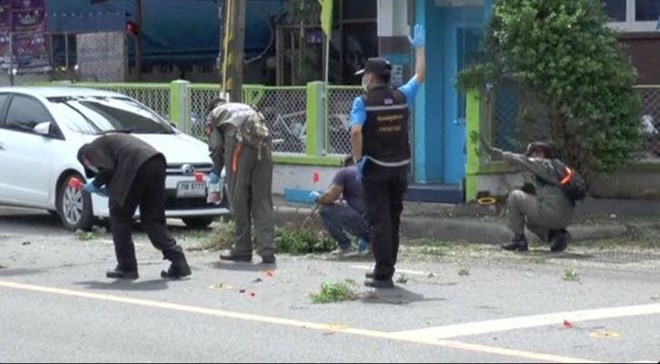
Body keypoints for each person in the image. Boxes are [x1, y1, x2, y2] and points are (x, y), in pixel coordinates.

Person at [349, 24, 426, 289]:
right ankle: (387, 269)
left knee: (379, 220)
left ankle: (382, 273)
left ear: (371, 77)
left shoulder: (363, 102)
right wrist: (420, 48)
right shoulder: (401, 95)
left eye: (364, 75)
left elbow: (356, 132)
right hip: (400, 168)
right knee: (393, 218)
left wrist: (358, 160)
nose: (364, 79)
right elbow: (420, 76)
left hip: (375, 169)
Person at [77, 133, 192, 280]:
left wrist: (94, 185)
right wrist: (108, 189)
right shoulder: (112, 145)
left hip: (136, 164)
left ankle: (127, 267)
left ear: (86, 161)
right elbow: (116, 175)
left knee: (119, 215)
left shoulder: (90, 150)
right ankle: (178, 261)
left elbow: (107, 170)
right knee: (152, 218)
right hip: (156, 162)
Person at [206, 98, 276, 265]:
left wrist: (216, 170)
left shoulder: (213, 116)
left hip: (239, 146)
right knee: (263, 199)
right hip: (264, 146)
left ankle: (242, 249)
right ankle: (267, 251)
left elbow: (216, 146)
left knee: (239, 199)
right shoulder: (247, 107)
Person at [481, 140, 574, 252]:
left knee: (515, 196)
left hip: (552, 212)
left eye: (536, 153)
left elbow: (518, 159)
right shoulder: (558, 167)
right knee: (530, 221)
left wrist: (493, 152)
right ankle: (556, 236)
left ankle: (518, 240)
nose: (534, 156)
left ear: (542, 154)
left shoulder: (541, 163)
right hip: (566, 217)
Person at [309, 157, 369, 256]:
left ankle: (346, 247)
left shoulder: (344, 172)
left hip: (364, 223)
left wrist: (317, 198)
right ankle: (373, 246)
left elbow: (330, 198)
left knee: (325, 210)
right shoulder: (368, 171)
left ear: (344, 165)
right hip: (381, 227)